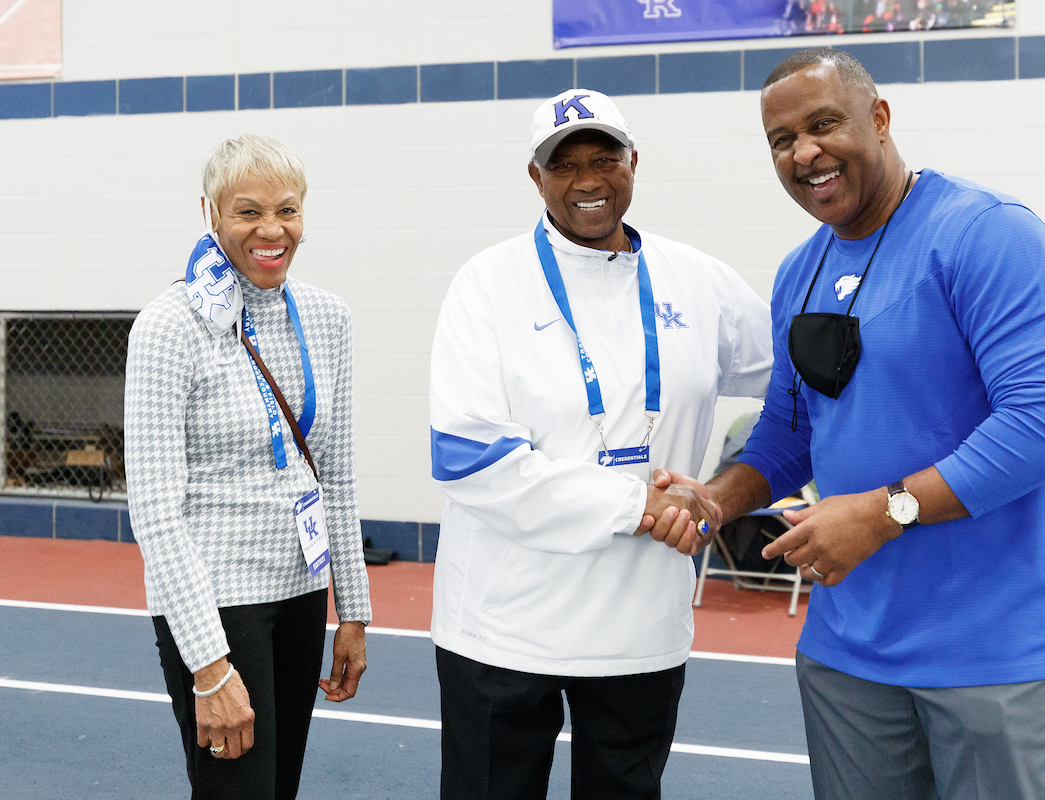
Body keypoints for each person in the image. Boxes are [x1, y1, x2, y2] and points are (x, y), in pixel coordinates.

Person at [654, 49, 1045, 799]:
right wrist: (715, 500)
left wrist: (884, 512)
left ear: (881, 118)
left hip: (991, 651)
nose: (805, 152)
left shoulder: (988, 235)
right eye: (781, 139)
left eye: (823, 124)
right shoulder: (800, 271)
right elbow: (789, 431)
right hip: (847, 652)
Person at [428, 88, 773, 799]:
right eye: (564, 165)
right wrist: (639, 506)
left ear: (634, 162)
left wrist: (732, 490)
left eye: (604, 158)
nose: (587, 180)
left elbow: (801, 389)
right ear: (535, 177)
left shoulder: (699, 281)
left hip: (640, 626)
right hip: (503, 627)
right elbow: (469, 459)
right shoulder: (487, 285)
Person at [125, 133, 372, 799]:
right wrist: (208, 665)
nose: (272, 230)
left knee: (276, 789)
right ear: (210, 213)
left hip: (299, 595)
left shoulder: (328, 317)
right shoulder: (168, 327)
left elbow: (336, 476)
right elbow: (154, 510)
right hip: (214, 605)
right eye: (248, 211)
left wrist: (353, 609)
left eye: (287, 211)